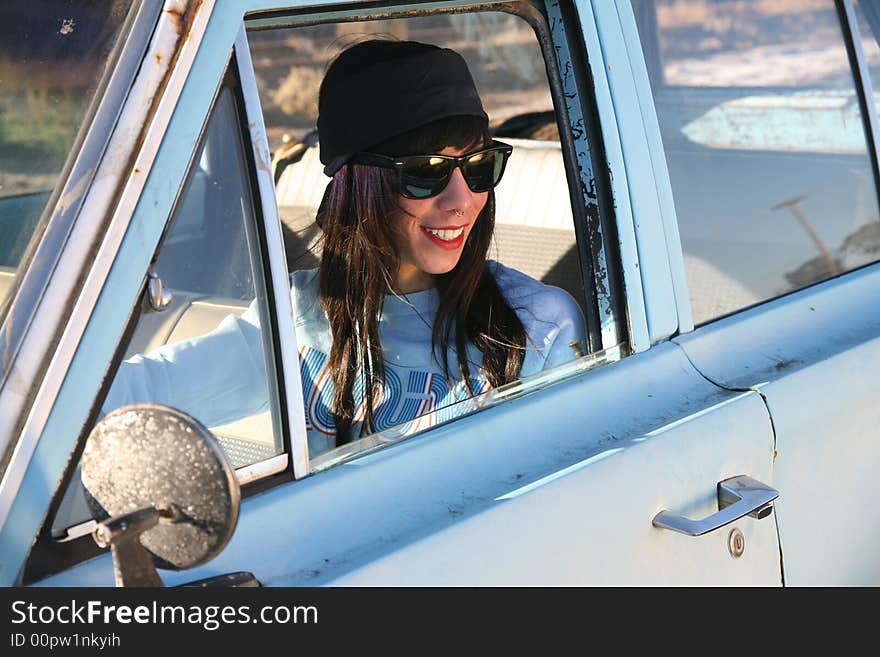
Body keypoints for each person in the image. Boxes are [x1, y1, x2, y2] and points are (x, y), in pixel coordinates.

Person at [105, 39, 587, 458]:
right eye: (426, 172)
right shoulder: (299, 315)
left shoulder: (537, 325)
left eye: (480, 166)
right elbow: (145, 391)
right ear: (360, 186)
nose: (463, 201)